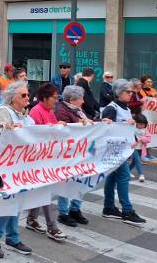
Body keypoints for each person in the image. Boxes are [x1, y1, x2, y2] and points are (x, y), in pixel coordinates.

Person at [0, 81, 34, 257]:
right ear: (13, 98)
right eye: (23, 95)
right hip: (7, 166)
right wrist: (7, 128)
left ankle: (12, 237)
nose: (27, 97)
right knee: (11, 200)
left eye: (28, 94)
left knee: (17, 201)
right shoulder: (4, 111)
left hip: (22, 166)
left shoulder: (25, 115)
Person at [100, 79, 146, 225]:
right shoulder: (111, 108)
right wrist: (125, 124)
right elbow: (106, 128)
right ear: (119, 93)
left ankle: (108, 207)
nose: (131, 94)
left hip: (124, 149)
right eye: (128, 92)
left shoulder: (125, 107)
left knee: (113, 177)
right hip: (114, 150)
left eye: (132, 91)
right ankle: (127, 210)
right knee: (124, 176)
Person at [26, 83, 67, 241]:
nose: (56, 101)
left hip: (47, 159)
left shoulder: (50, 110)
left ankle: (32, 219)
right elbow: (34, 135)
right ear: (45, 98)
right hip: (38, 160)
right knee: (44, 192)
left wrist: (59, 126)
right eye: (54, 98)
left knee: (41, 191)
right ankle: (52, 227)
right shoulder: (36, 112)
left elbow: (52, 129)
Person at [54, 85, 92, 227]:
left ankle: (75, 209)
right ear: (72, 99)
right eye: (80, 98)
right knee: (67, 182)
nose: (83, 101)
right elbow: (65, 132)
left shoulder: (77, 110)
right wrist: (78, 124)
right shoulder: (61, 111)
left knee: (80, 180)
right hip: (67, 154)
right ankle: (63, 213)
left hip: (80, 152)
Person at [130, 114, 150, 182]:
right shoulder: (132, 127)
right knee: (138, 160)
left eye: (143, 124)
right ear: (136, 123)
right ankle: (141, 175)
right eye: (140, 124)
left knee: (134, 162)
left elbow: (148, 139)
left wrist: (141, 138)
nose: (142, 126)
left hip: (141, 149)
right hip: (133, 148)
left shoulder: (145, 130)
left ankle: (127, 171)